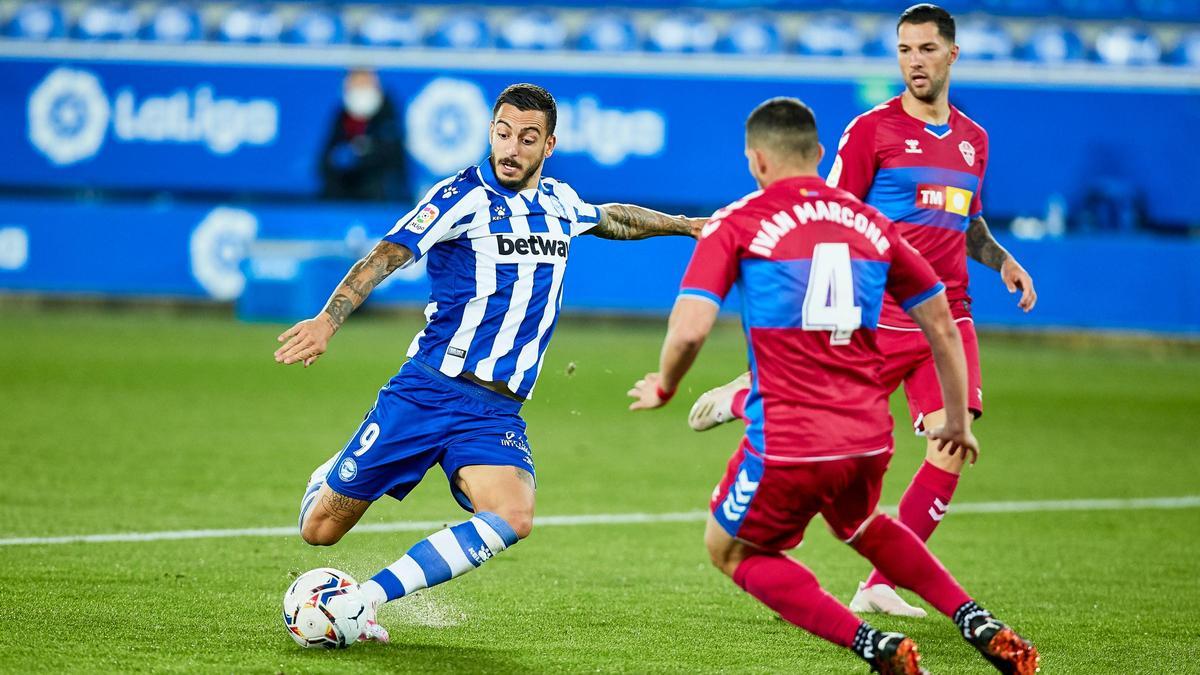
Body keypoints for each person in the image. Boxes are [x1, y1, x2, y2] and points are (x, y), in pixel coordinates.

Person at [275, 83, 704, 644]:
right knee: (320, 531)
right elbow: (387, 254)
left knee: (514, 517)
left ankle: (365, 600)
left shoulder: (559, 203)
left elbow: (612, 217)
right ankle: (340, 467)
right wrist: (327, 322)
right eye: (503, 134)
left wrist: (688, 225)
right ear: (491, 132)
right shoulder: (461, 197)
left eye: (527, 139)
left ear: (548, 145)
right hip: (427, 391)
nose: (511, 148)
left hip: (494, 413)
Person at [628, 97, 1038, 674]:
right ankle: (973, 617)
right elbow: (943, 322)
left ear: (755, 160)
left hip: (791, 437)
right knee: (863, 524)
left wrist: (665, 386)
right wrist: (956, 419)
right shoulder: (872, 224)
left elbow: (691, 328)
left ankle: (874, 645)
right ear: (819, 155)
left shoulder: (738, 221)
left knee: (731, 550)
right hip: (869, 434)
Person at [686, 3, 1038, 618]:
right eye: (904, 50)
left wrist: (1002, 260)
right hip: (875, 319)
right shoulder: (872, 132)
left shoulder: (973, 141)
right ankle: (748, 394)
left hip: (945, 315)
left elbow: (968, 221)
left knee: (952, 442)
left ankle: (878, 585)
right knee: (819, 424)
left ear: (951, 54)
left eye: (926, 49)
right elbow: (825, 214)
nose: (914, 61)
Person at [320, 68, 408, 202]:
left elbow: (394, 160)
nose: (360, 91)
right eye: (356, 85)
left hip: (379, 192)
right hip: (345, 188)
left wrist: (367, 150)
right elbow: (325, 160)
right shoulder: (342, 116)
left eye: (365, 85)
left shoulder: (387, 115)